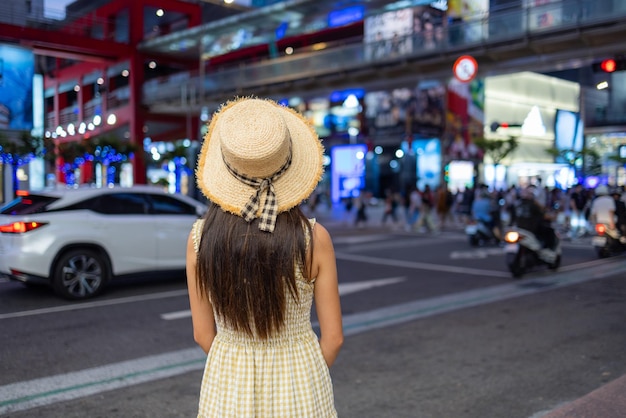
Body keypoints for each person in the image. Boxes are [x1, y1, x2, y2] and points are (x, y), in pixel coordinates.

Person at [186, 97, 343, 417]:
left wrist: (238, 371)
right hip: (301, 385)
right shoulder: (313, 238)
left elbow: (203, 334)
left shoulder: (200, 238)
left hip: (228, 385)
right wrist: (303, 375)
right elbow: (334, 338)